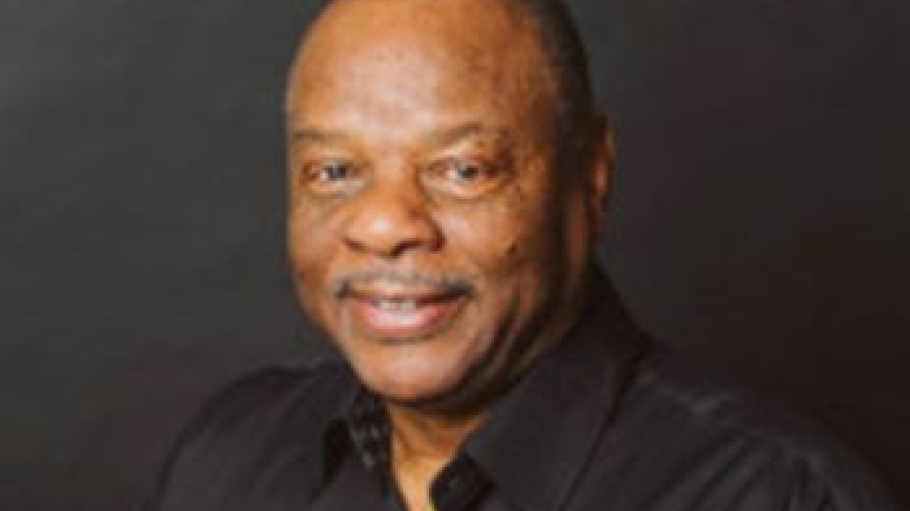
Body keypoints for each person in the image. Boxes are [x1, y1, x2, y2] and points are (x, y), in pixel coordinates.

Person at [145, 0, 902, 510]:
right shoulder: (231, 456)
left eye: (462, 169)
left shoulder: (773, 493)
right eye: (334, 171)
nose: (382, 224)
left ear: (590, 177)